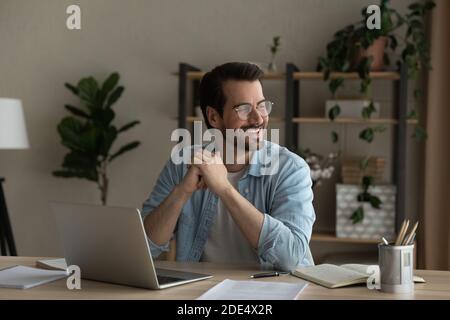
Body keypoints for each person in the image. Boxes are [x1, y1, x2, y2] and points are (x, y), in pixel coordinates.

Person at [142, 62, 315, 270]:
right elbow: (145, 247)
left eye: (261, 105)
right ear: (214, 117)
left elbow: (291, 258)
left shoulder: (290, 169)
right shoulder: (183, 163)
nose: (258, 118)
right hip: (201, 292)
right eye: (243, 109)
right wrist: (182, 191)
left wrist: (224, 189)